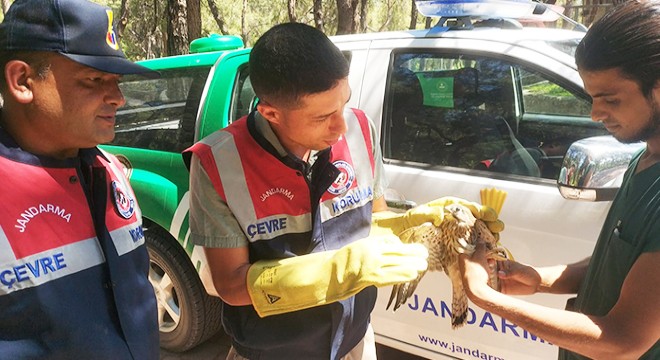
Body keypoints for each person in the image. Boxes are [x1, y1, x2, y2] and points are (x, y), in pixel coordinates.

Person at [186, 22, 504, 360]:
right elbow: (232, 286)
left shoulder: (360, 129)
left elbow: (373, 222)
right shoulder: (217, 164)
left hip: (354, 339)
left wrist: (418, 223)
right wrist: (342, 270)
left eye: (344, 104)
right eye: (323, 116)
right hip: (275, 350)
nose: (341, 126)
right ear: (271, 113)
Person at [459, 1, 660, 359]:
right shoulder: (644, 158)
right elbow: (621, 263)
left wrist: (485, 298)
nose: (596, 113)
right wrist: (540, 279)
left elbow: (624, 339)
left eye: (610, 99)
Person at [0, 0, 160, 358]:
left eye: (117, 81)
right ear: (23, 81)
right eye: (94, 80)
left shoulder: (107, 167)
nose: (118, 98)